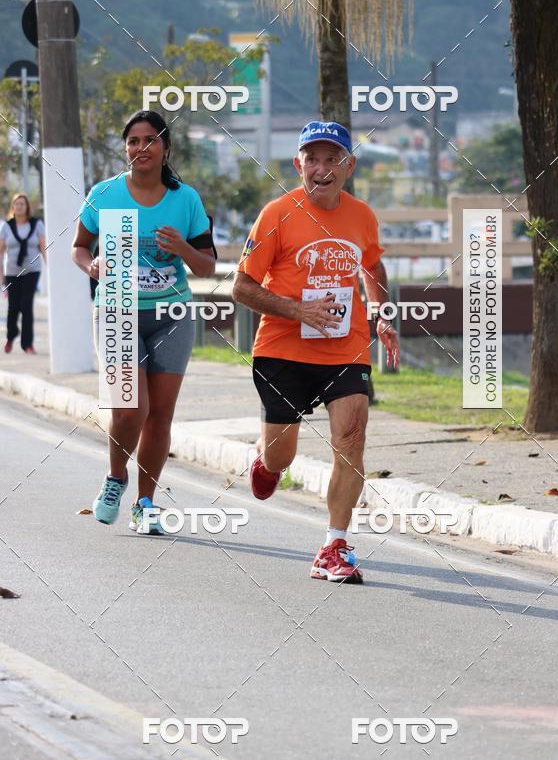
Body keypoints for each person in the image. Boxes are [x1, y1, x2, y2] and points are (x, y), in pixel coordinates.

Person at [232, 120, 399, 583]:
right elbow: (241, 287)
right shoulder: (276, 214)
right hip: (282, 349)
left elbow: (373, 262)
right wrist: (296, 309)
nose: (321, 169)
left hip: (344, 349)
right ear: (297, 164)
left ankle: (333, 545)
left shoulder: (362, 216)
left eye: (332, 159)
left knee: (352, 437)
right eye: (312, 159)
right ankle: (266, 461)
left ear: (349, 166)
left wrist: (381, 313)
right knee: (281, 456)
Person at [72, 110, 216, 533]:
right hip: (116, 306)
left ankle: (146, 503)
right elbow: (78, 247)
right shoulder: (105, 194)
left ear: (165, 148)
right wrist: (92, 265)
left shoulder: (185, 199)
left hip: (171, 313)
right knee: (130, 407)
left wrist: (183, 250)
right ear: (126, 149)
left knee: (160, 415)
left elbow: (208, 266)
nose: (141, 148)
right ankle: (116, 477)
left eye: (150, 140)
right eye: (133, 141)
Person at [0, 193, 46, 354]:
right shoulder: (6, 227)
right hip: (11, 272)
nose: (19, 206)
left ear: (27, 207)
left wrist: (50, 267)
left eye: (22, 204)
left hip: (32, 270)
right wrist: (1, 278)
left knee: (26, 305)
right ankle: (11, 336)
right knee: (13, 307)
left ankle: (27, 344)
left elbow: (43, 248)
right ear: (12, 207)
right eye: (16, 204)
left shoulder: (36, 224)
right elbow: (0, 252)